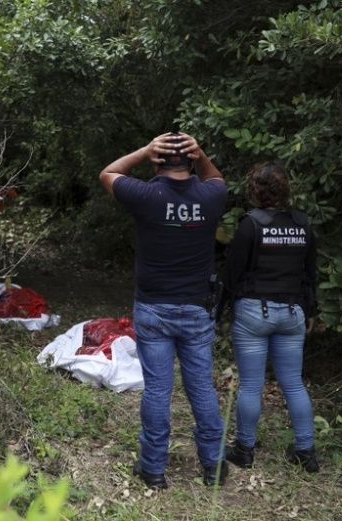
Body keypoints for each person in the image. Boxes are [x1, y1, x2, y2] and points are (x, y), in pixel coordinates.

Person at [99, 132, 228, 489]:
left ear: (157, 162)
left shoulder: (145, 195)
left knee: (157, 389)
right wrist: (201, 155)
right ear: (191, 160)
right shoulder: (211, 195)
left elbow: (108, 174)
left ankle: (154, 470)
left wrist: (143, 150)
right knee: (201, 387)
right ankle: (214, 466)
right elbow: (216, 178)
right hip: (197, 309)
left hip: (154, 308)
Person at [223, 161, 319, 473]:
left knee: (251, 384)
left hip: (253, 311)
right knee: (293, 382)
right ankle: (306, 451)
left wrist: (222, 310)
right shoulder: (302, 224)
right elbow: (310, 273)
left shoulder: (250, 225)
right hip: (292, 312)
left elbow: (233, 272)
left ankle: (244, 449)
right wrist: (310, 310)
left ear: (254, 190)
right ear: (286, 190)